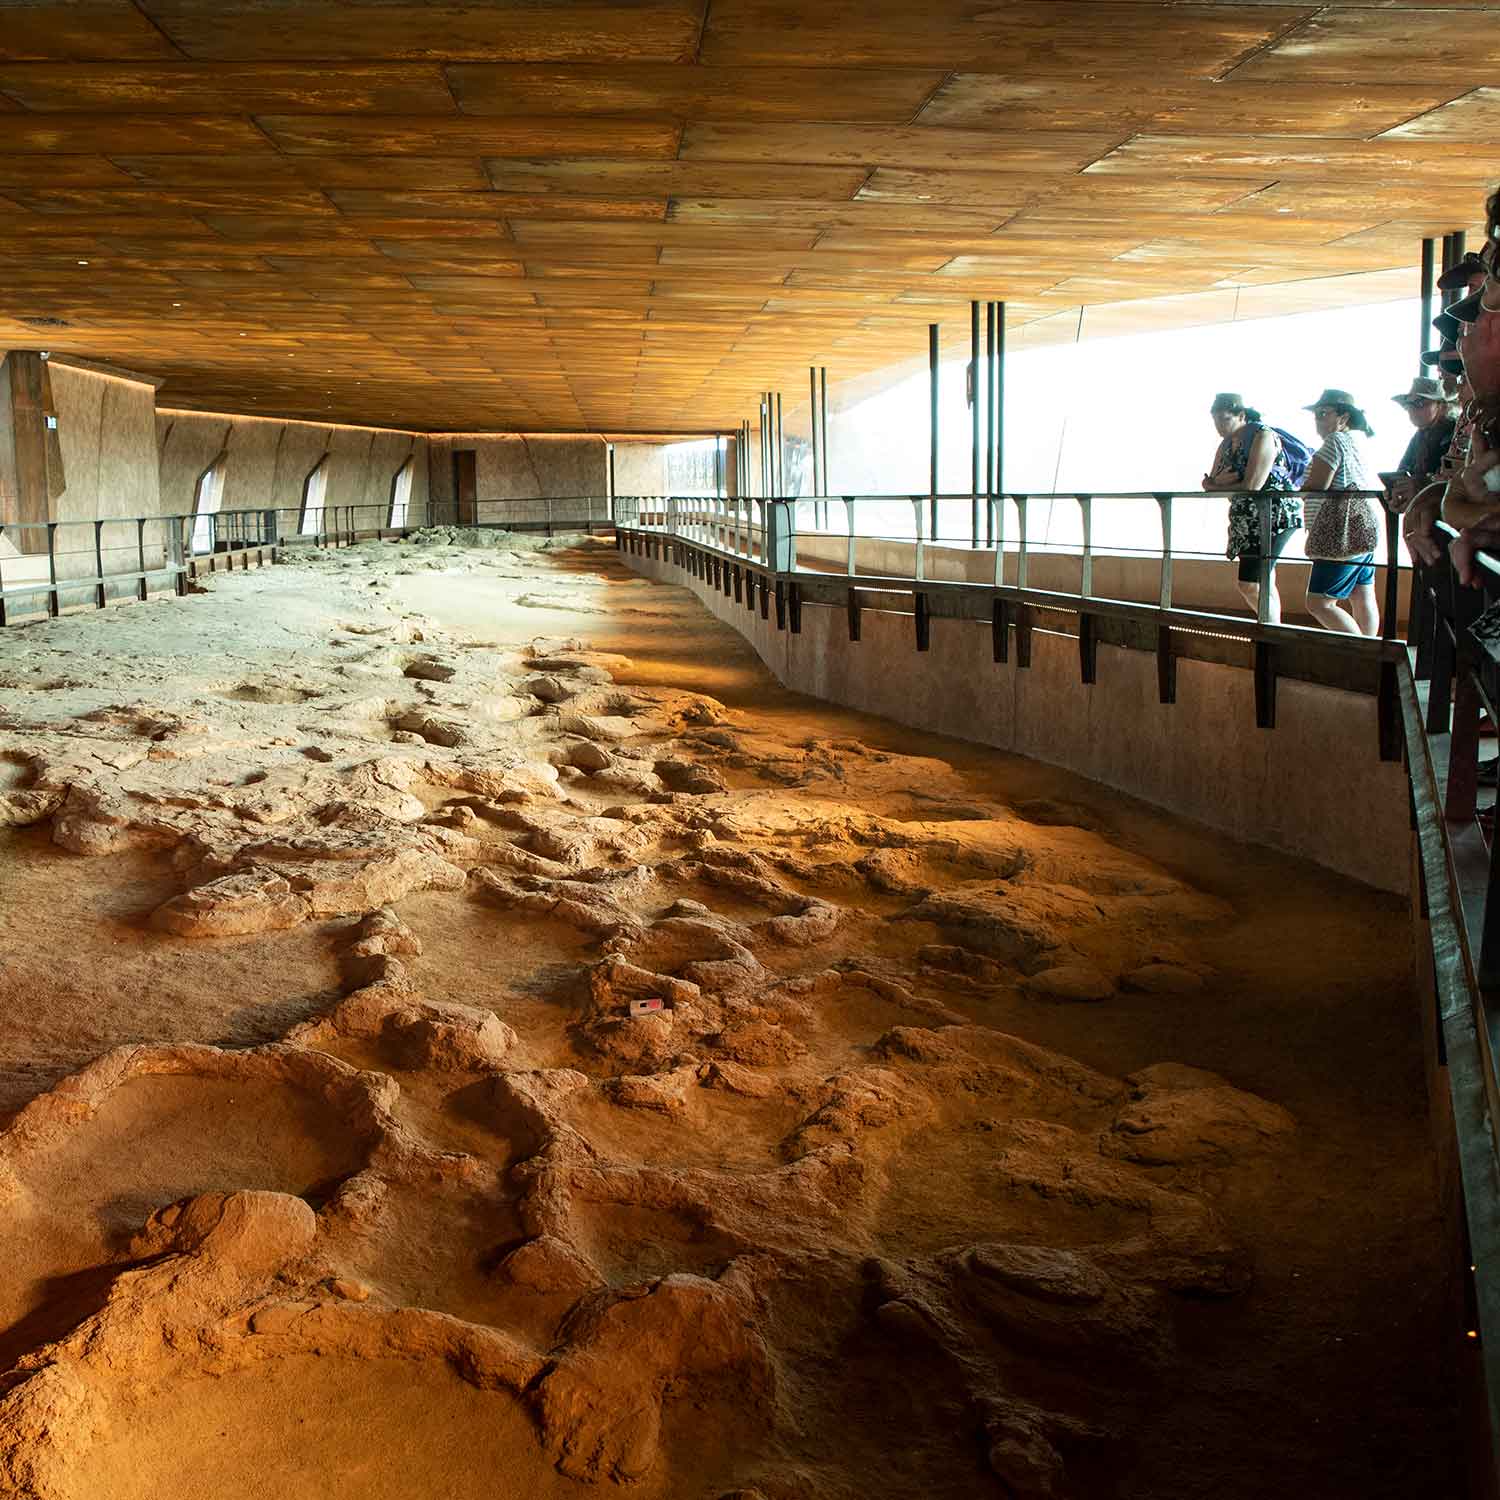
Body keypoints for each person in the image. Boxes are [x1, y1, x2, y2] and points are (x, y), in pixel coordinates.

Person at [1201, 392, 1302, 623]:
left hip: (1275, 517)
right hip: (1247, 520)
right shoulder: (1227, 444)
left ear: (1242, 415)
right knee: (1263, 579)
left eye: (1225, 419)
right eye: (1216, 420)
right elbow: (1211, 481)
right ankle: (1273, 629)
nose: (1219, 426)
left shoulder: (1263, 436)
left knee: (1250, 583)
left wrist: (1224, 484)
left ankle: (1272, 630)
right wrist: (1220, 484)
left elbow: (1252, 485)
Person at [1301, 388, 1380, 635]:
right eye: (1316, 414)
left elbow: (1317, 486)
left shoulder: (1333, 442)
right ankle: (1372, 655)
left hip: (1338, 533)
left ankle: (1359, 651)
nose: (1318, 420)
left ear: (1343, 418)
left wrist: (1301, 488)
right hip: (1362, 528)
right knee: (1362, 594)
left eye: (1324, 413)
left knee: (1319, 603)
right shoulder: (1355, 443)